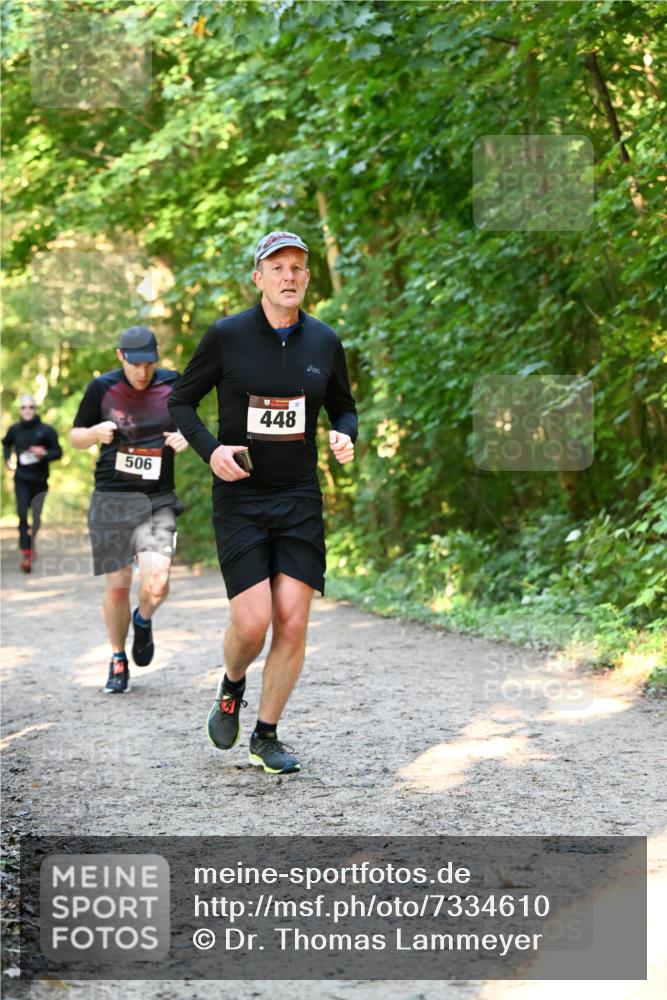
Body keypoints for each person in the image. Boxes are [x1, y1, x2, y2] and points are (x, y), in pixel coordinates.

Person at [168, 230, 357, 775]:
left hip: (298, 496)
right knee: (253, 624)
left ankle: (266, 735)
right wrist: (210, 450)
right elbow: (181, 400)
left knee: (292, 623)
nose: (290, 275)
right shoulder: (227, 336)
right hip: (241, 497)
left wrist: (345, 434)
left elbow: (344, 408)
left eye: (298, 267)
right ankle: (230, 688)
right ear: (259, 278)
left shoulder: (324, 341)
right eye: (278, 267)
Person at [70, 327, 188, 694]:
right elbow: (75, 437)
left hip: (157, 498)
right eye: (136, 364)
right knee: (118, 584)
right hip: (111, 497)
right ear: (121, 357)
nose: (143, 372)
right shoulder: (101, 388)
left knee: (157, 581)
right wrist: (95, 433)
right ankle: (118, 657)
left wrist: (186, 434)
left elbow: (191, 421)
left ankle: (145, 618)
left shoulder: (172, 383)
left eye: (149, 364)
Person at [2, 394, 62, 572]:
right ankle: (26, 552)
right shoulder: (14, 430)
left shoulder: (46, 430)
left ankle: (32, 543)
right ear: (19, 410)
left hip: (40, 481)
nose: (27, 410)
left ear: (35, 409)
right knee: (21, 515)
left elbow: (58, 452)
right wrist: (8, 460)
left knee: (35, 518)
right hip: (21, 479)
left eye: (30, 407)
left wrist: (44, 454)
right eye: (23, 407)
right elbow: (5, 444)